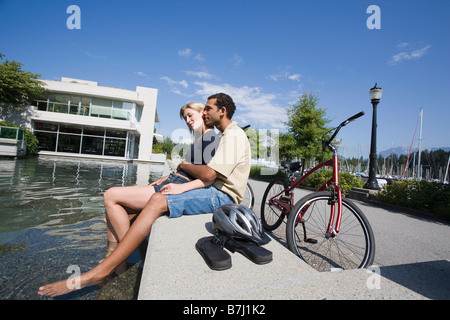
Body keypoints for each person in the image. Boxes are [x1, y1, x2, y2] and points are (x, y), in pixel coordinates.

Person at [38, 93, 250, 297]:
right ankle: (116, 261)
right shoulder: (225, 135)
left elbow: (210, 175)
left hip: (222, 196)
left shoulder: (232, 135)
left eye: (208, 109)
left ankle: (101, 271)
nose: (204, 113)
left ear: (222, 111)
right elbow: (208, 174)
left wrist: (181, 173)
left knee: (154, 199)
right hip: (213, 190)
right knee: (118, 207)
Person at [103, 101, 219, 252]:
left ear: (203, 112)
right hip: (175, 179)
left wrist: (182, 167)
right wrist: (173, 174)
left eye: (190, 115)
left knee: (110, 195)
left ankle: (125, 252)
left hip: (178, 184)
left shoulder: (210, 137)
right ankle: (112, 252)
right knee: (112, 215)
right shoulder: (202, 138)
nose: (188, 120)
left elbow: (208, 174)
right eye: (185, 118)